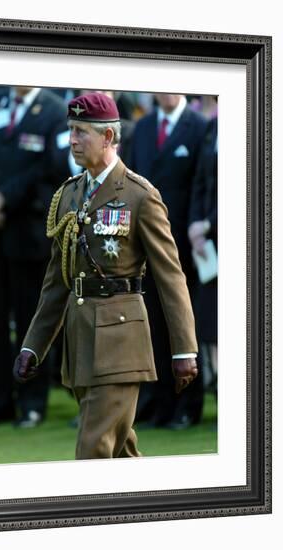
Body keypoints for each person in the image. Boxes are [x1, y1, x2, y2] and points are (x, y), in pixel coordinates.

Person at [13, 91, 198, 459]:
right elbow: (57, 281)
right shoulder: (68, 194)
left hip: (121, 346)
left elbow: (170, 276)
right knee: (119, 454)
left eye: (82, 131)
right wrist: (33, 344)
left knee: (93, 452)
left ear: (108, 137)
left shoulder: (140, 196)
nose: (73, 140)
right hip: (80, 346)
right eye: (71, 130)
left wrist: (184, 349)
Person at [0, 86, 71, 428]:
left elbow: (51, 170)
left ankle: (31, 403)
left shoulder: (55, 110)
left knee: (31, 324)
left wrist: (5, 199)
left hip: (27, 234)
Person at [127, 93, 208, 429]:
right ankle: (159, 405)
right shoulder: (143, 127)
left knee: (184, 325)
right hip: (143, 247)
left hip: (182, 248)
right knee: (152, 327)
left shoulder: (200, 127)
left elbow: (201, 185)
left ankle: (188, 406)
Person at [188, 115, 218, 395]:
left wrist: (208, 222)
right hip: (208, 246)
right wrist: (195, 225)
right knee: (210, 326)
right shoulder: (212, 127)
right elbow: (200, 181)